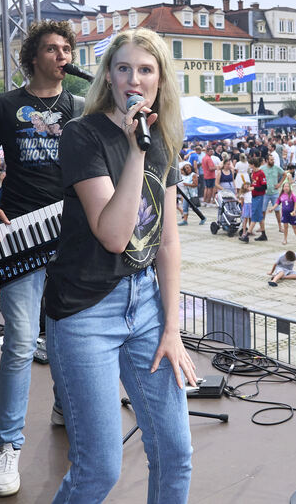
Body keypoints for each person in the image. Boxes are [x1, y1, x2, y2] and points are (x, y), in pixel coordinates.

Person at [43, 28, 195, 502]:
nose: (134, 78)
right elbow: (113, 235)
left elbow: (167, 241)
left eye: (145, 70)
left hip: (144, 304)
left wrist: (173, 327)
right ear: (108, 77)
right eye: (124, 68)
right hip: (85, 312)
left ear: (159, 80)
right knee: (98, 470)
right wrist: (135, 151)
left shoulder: (162, 139)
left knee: (175, 453)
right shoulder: (82, 135)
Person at [0, 20, 84, 497]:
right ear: (33, 56)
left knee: (67, 336)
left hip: (72, 236)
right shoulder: (4, 105)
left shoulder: (79, 106)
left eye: (67, 49)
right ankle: (7, 445)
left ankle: (64, 407)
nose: (62, 55)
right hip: (21, 234)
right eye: (52, 49)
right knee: (19, 342)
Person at [241, 156, 267, 242]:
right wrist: (250, 187)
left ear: (253, 165)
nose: (249, 166)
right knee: (259, 216)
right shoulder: (253, 173)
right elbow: (254, 184)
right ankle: (263, 235)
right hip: (254, 196)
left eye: (249, 164)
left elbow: (264, 187)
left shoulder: (261, 173)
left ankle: (246, 235)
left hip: (259, 197)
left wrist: (254, 189)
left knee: (254, 216)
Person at [177, 162, 198, 226]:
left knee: (195, 208)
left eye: (188, 167)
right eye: (185, 168)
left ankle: (202, 217)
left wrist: (187, 184)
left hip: (192, 194)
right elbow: (178, 170)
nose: (187, 169)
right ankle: (185, 221)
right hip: (186, 195)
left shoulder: (193, 175)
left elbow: (195, 184)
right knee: (185, 207)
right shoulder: (184, 175)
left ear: (191, 168)